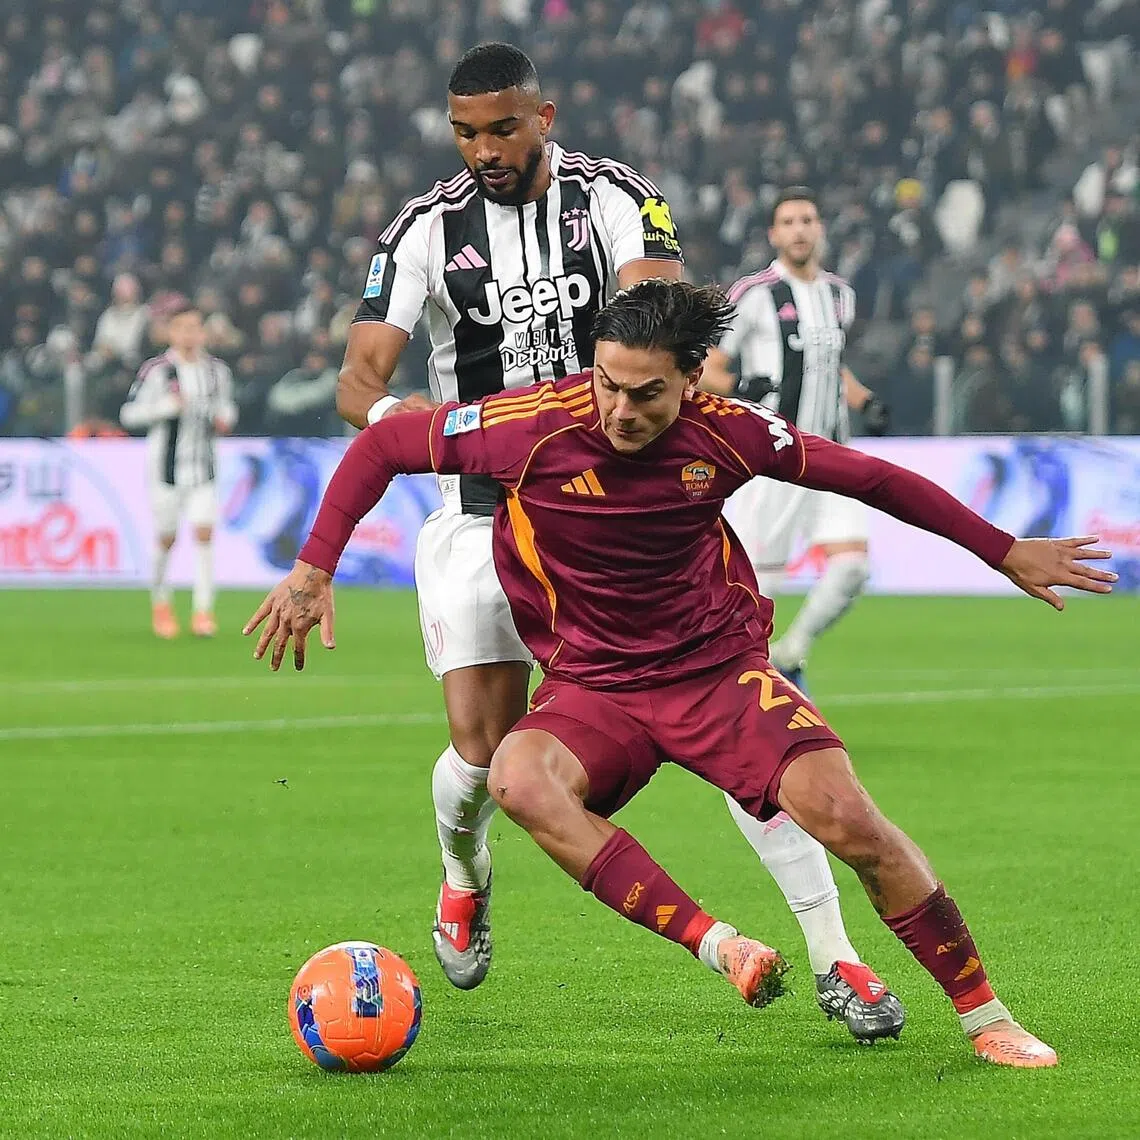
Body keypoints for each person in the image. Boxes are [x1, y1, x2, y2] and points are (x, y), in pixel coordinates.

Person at [244, 280, 1115, 1066]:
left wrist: (1001, 549)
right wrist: (314, 569)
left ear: (692, 380)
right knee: (515, 775)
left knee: (850, 819)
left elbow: (872, 478)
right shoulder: (528, 425)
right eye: (607, 384)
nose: (620, 409)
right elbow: (381, 446)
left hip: (717, 676)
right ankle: (718, 944)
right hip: (593, 689)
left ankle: (985, 1014)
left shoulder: (729, 433)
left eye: (646, 393)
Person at [335, 42, 893, 1036]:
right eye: (465, 133)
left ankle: (834, 953)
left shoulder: (616, 199)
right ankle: (464, 869)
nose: (483, 149)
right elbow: (358, 379)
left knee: (737, 726)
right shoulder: (424, 229)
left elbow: (657, 314)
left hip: (625, 506)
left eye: (502, 128)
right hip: (484, 513)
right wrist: (390, 411)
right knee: (485, 750)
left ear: (542, 118)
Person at [702, 187, 890, 692]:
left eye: (807, 220)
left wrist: (864, 401)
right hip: (774, 460)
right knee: (759, 583)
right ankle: (740, 681)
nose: (799, 230)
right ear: (774, 234)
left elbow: (830, 365)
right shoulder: (753, 293)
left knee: (853, 568)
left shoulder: (840, 295)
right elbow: (707, 367)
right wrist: (741, 387)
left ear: (820, 228)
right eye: (788, 222)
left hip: (832, 455)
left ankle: (790, 653)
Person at [120, 303, 237, 638]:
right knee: (167, 538)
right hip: (165, 469)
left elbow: (227, 407)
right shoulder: (157, 370)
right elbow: (129, 414)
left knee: (204, 533)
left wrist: (225, 418)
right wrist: (164, 408)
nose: (190, 334)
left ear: (203, 332)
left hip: (204, 467)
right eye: (183, 328)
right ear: (171, 332)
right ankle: (161, 603)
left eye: (195, 328)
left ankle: (203, 611)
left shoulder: (216, 371)